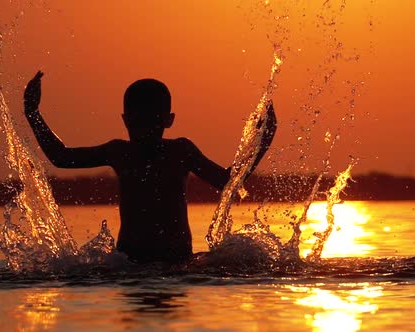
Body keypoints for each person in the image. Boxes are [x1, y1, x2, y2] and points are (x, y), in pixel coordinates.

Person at [23, 71, 276, 264]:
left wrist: (263, 139)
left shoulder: (178, 151)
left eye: (150, 122)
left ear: (168, 121)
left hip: (153, 264)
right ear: (126, 120)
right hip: (145, 263)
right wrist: (32, 113)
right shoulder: (124, 152)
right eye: (138, 123)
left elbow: (226, 182)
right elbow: (61, 158)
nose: (144, 131)